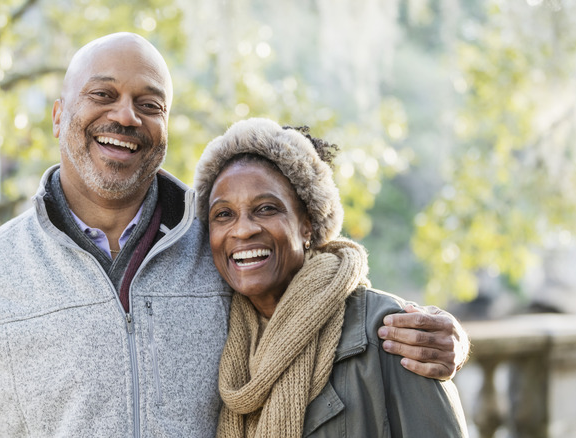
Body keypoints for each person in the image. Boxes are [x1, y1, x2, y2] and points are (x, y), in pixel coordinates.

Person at [0, 33, 468, 437]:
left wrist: (450, 341)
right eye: (103, 95)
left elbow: (322, 292)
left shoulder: (220, 243)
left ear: (165, 128)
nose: (126, 117)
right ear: (58, 115)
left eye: (150, 104)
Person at [193, 118, 468, 437]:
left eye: (267, 209)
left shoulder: (388, 332)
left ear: (307, 224)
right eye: (223, 214)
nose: (242, 229)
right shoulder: (209, 332)